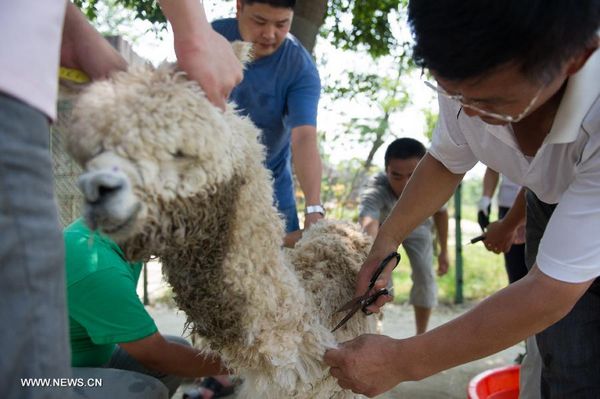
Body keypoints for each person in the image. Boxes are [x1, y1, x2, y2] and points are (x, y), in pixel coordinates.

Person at [324, 1, 600, 398]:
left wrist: (402, 361)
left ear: (574, 59)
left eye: (490, 103)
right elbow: (446, 160)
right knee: (562, 358)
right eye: (452, 92)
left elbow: (549, 292)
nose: (466, 110)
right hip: (547, 201)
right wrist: (385, 242)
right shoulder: (463, 70)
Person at [0, 1, 241, 397]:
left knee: (174, 353)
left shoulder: (121, 242)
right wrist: (193, 28)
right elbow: (155, 355)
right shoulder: (95, 263)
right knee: (142, 385)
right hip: (53, 375)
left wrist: (74, 30)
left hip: (20, 97)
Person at [64, 218, 229, 399]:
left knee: (179, 351)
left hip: (88, 359)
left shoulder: (119, 235)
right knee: (147, 389)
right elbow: (155, 355)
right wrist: (239, 363)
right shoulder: (98, 267)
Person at [212, 0, 324, 236]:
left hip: (269, 188)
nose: (270, 34)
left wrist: (314, 208)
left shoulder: (300, 68)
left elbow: (304, 137)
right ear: (239, 7)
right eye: (260, 21)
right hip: (208, 179)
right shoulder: (211, 40)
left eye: (282, 24)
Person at [358, 138, 449, 335]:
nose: (406, 184)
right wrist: (371, 255)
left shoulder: (431, 186)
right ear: (386, 171)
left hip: (419, 227)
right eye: (397, 176)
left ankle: (421, 336)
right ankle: (374, 331)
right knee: (377, 278)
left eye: (413, 175)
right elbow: (368, 224)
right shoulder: (375, 189)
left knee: (425, 276)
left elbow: (441, 213)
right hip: (383, 231)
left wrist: (444, 251)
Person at [478, 167, 527, 283]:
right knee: (516, 272)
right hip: (508, 205)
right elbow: (493, 166)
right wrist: (485, 200)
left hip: (540, 202)